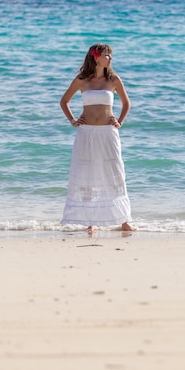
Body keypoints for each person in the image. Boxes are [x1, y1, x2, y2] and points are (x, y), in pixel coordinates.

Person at [59, 43, 135, 232]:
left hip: (108, 133)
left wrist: (120, 121)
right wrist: (73, 120)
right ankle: (89, 221)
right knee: (86, 172)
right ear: (96, 57)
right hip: (86, 133)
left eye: (110, 56)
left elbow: (126, 103)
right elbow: (64, 101)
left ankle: (124, 220)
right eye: (107, 56)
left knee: (114, 172)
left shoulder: (114, 80)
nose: (111, 59)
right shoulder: (82, 79)